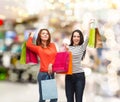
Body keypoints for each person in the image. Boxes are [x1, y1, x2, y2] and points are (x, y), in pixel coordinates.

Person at [26, 29, 57, 102]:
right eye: (43, 33)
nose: (45, 34)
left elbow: (56, 56)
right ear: (40, 36)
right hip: (43, 74)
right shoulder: (38, 48)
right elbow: (28, 45)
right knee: (43, 98)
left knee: (54, 98)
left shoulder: (52, 45)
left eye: (47, 33)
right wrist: (31, 36)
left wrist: (51, 64)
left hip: (52, 73)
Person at [64, 21, 92, 102]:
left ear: (80, 38)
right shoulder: (68, 47)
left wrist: (89, 25)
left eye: (78, 36)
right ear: (72, 38)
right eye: (74, 36)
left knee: (79, 100)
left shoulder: (82, 47)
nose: (76, 38)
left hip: (79, 76)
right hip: (69, 76)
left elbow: (88, 37)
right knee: (69, 100)